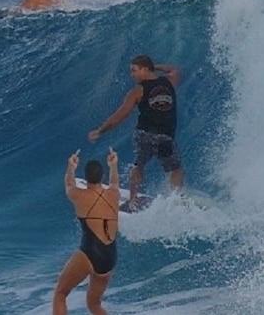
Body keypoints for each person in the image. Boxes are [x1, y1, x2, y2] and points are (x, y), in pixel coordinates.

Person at [88, 55, 182, 210]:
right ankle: (176, 199)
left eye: (134, 70)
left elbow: (120, 115)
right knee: (175, 169)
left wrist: (100, 131)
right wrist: (156, 66)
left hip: (143, 135)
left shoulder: (137, 91)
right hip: (165, 137)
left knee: (139, 166)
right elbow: (174, 69)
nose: (132, 75)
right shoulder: (169, 82)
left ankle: (132, 201)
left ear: (145, 69)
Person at [54, 147, 120, 315]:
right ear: (101, 176)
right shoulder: (114, 194)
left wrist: (71, 166)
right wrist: (113, 165)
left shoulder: (79, 195)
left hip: (90, 252)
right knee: (94, 304)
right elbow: (114, 183)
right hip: (110, 256)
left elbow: (69, 184)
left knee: (60, 294)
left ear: (86, 178)